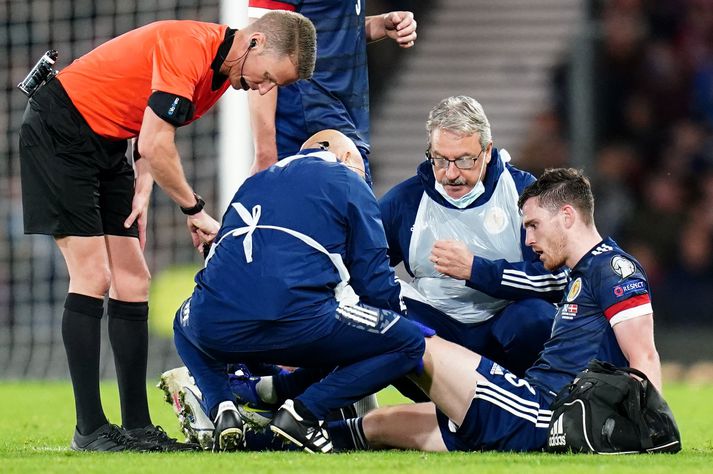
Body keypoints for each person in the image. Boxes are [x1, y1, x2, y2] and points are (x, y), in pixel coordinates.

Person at [18, 12, 316, 452]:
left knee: (134, 280)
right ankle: (90, 429)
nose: (264, 88)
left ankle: (136, 426)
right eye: (268, 76)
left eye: (275, 85)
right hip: (60, 129)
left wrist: (140, 188)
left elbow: (148, 127)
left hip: (105, 143)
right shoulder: (191, 47)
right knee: (93, 276)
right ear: (254, 42)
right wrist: (194, 210)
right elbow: (155, 144)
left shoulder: (219, 75)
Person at [336, 168, 661, 452]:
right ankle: (298, 434)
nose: (529, 239)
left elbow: (643, 354)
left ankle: (299, 390)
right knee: (378, 423)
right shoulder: (582, 273)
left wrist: (651, 428)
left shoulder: (613, 268)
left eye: (533, 225)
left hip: (541, 412)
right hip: (525, 399)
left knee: (411, 338)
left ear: (566, 216)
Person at [172, 129, 426, 453]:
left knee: (184, 320)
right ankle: (303, 413)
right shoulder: (348, 180)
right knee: (406, 342)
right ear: (348, 157)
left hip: (221, 326)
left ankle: (223, 407)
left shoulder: (253, 184)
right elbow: (374, 280)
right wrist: (397, 320)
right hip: (300, 323)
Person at [380, 95, 567, 378]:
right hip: (436, 329)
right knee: (380, 316)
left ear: (488, 151)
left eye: (465, 160)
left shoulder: (523, 192)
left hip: (502, 325)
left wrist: (476, 270)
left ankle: (535, 405)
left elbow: (557, 279)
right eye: (440, 159)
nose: (451, 173)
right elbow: (362, 267)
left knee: (537, 319)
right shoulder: (404, 201)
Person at [247, 0, 418, 185]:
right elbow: (260, 51)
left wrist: (381, 24)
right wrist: (265, 154)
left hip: (344, 122)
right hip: (309, 128)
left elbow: (331, 29)